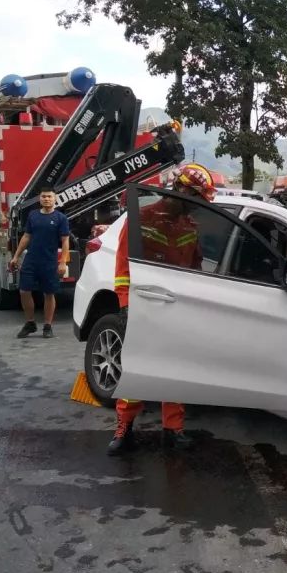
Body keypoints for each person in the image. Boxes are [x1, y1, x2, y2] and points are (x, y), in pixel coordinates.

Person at [108, 162, 217, 455]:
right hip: (145, 306)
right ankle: (124, 428)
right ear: (180, 190)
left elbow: (194, 267)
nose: (197, 206)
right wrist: (126, 305)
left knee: (176, 370)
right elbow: (122, 267)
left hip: (178, 308)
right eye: (195, 197)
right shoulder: (141, 218)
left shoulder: (189, 226)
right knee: (136, 371)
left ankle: (173, 429)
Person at [10, 188, 70, 339]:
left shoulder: (60, 218)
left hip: (49, 261)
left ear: (55, 198)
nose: (46, 199)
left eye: (49, 196)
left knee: (49, 294)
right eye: (43, 196)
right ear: (40, 198)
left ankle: (47, 326)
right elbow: (26, 236)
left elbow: (65, 241)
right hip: (31, 260)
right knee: (24, 291)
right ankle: (30, 323)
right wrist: (16, 256)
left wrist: (62, 262)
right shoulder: (33, 215)